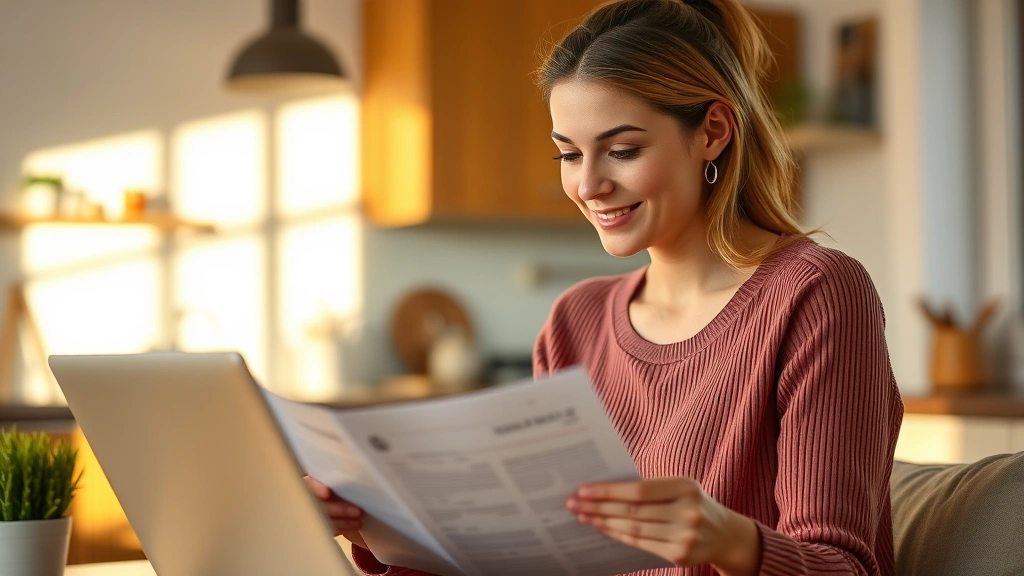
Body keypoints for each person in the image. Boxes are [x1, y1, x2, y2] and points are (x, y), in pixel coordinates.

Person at [307, 0, 904, 574]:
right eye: (567, 155)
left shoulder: (814, 292)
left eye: (622, 150)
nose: (589, 184)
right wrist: (382, 532)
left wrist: (731, 541)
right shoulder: (576, 321)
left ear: (713, 131)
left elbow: (843, 567)